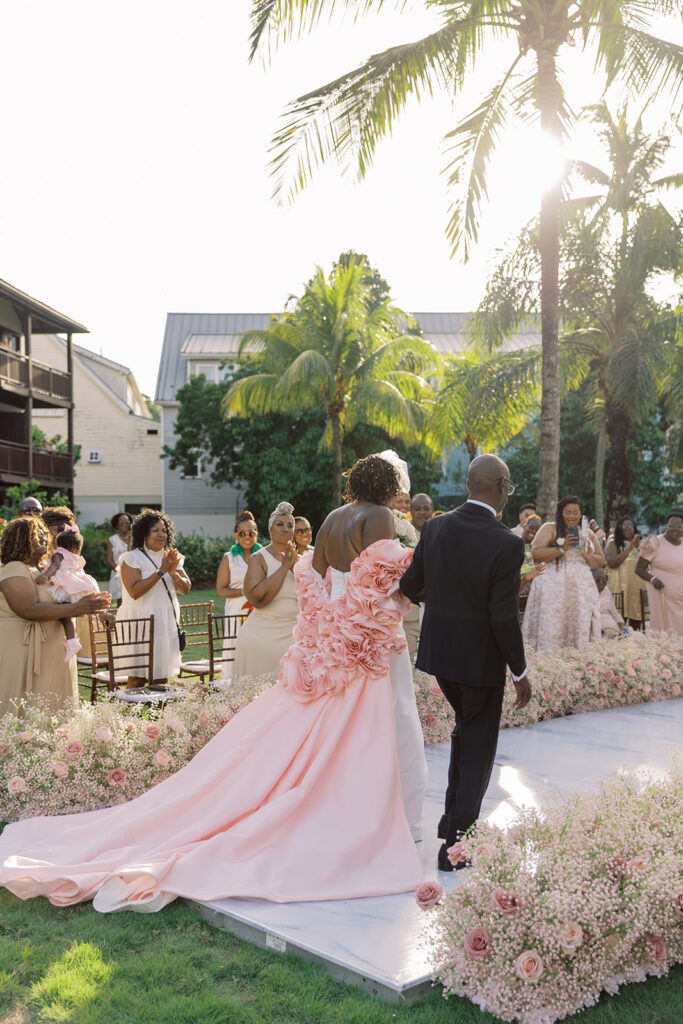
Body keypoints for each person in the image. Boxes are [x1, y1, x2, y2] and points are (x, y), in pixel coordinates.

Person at [0, 455, 424, 912]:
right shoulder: (379, 517)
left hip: (330, 645)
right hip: (369, 641)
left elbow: (315, 584)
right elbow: (380, 582)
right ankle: (390, 821)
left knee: (332, 735)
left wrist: (327, 635)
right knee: (382, 726)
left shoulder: (329, 522)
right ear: (386, 485)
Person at [400, 453, 530, 873]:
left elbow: (410, 585)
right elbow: (503, 615)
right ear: (500, 486)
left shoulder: (435, 527)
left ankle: (450, 822)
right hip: (480, 663)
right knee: (478, 747)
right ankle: (456, 846)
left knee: (464, 734)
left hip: (441, 656)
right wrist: (520, 671)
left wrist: (447, 612)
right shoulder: (507, 542)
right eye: (508, 487)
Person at [0, 517, 109, 716]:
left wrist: (96, 607)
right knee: (23, 709)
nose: (44, 537)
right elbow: (29, 609)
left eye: (44, 533)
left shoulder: (44, 569)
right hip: (22, 650)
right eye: (36, 534)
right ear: (21, 539)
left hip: (52, 651)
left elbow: (66, 598)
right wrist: (77, 608)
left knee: (52, 707)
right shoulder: (13, 568)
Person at [118, 509, 192, 689]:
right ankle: (129, 717)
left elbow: (186, 588)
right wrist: (161, 571)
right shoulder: (132, 558)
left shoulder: (171, 557)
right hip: (139, 622)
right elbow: (134, 592)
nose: (161, 534)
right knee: (137, 677)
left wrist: (173, 573)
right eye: (156, 530)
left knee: (160, 677)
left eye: (164, 530)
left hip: (164, 622)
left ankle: (157, 717)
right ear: (144, 534)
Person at [522, 495, 603, 652]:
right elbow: (536, 553)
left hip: (580, 588)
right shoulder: (549, 528)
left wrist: (589, 556)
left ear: (581, 514)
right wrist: (561, 549)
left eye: (575, 512)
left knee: (578, 622)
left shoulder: (587, 533)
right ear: (560, 513)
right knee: (553, 623)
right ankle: (549, 660)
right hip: (553, 586)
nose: (572, 516)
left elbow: (600, 561)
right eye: (567, 512)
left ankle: (577, 660)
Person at [232, 502, 300, 681]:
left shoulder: (302, 560)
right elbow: (257, 600)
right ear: (270, 529)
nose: (286, 528)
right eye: (280, 524)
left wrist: (294, 566)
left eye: (290, 525)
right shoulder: (258, 558)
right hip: (260, 636)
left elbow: (311, 596)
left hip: (293, 636)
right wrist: (284, 567)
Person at [35, 527, 100, 660]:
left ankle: (72, 642)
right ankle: (72, 641)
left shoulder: (59, 554)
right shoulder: (76, 557)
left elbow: (55, 567)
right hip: (77, 585)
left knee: (64, 615)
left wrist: (45, 576)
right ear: (77, 548)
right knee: (68, 615)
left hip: (65, 586)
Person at [216, 511, 262, 678]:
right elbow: (221, 590)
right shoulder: (229, 558)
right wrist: (245, 591)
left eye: (251, 533)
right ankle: (232, 684)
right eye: (242, 533)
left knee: (257, 647)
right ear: (236, 535)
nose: (247, 537)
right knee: (235, 647)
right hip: (236, 611)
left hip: (258, 611)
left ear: (256, 534)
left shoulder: (263, 556)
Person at [635, 511, 683, 636]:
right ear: (666, 525)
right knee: (664, 629)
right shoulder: (655, 543)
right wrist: (653, 579)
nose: (675, 529)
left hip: (680, 596)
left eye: (679, 526)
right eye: (672, 525)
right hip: (661, 592)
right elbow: (639, 569)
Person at [605, 516, 643, 630]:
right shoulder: (613, 543)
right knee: (619, 622)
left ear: (635, 529)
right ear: (619, 528)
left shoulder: (640, 545)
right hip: (619, 588)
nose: (627, 527)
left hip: (636, 588)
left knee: (636, 621)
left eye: (630, 525)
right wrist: (629, 548)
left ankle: (634, 644)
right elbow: (612, 563)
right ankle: (619, 645)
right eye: (624, 525)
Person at [106, 513, 132, 604]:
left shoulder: (133, 539)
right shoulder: (112, 539)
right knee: (120, 602)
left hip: (132, 572)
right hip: (117, 573)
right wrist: (119, 570)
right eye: (122, 523)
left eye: (127, 522)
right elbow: (109, 559)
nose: (125, 525)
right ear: (117, 525)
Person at [592, 568, 625, 637]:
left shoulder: (607, 591)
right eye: (598, 580)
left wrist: (622, 626)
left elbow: (614, 613)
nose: (601, 582)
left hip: (613, 627)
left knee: (633, 636)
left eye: (604, 579)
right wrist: (599, 631)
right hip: (597, 628)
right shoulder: (587, 593)